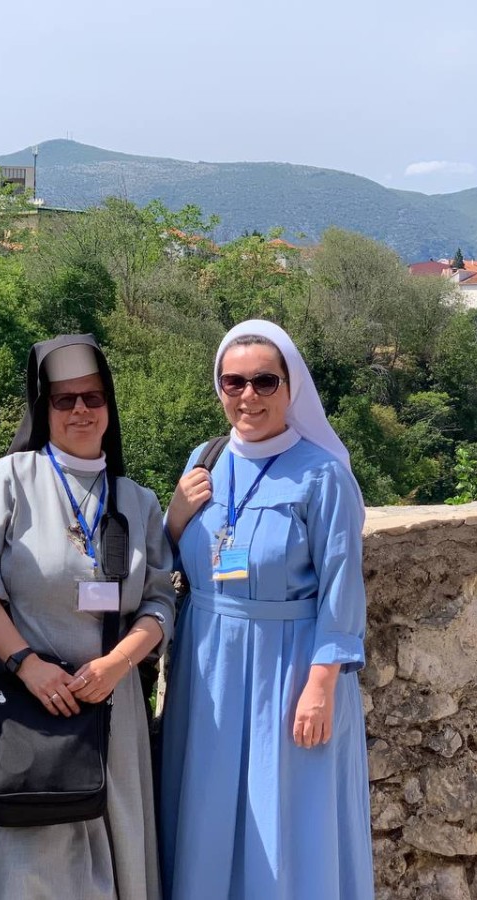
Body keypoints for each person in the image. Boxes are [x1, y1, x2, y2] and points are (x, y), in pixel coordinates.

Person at [0, 334, 176, 900]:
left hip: (111, 702)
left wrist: (116, 666)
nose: (80, 410)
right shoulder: (8, 479)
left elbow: (159, 602)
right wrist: (27, 665)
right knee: (30, 865)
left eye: (93, 398)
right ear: (43, 409)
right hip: (27, 706)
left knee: (117, 854)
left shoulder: (138, 501)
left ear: (109, 407)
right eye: (64, 399)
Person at [159, 319, 374, 899]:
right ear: (219, 388)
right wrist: (174, 517)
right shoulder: (203, 461)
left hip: (289, 670)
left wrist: (321, 685)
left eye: (264, 381)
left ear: (290, 387)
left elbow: (341, 587)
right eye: (234, 382)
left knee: (285, 814)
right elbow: (176, 559)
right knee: (207, 808)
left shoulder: (323, 474)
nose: (248, 396)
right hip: (207, 667)